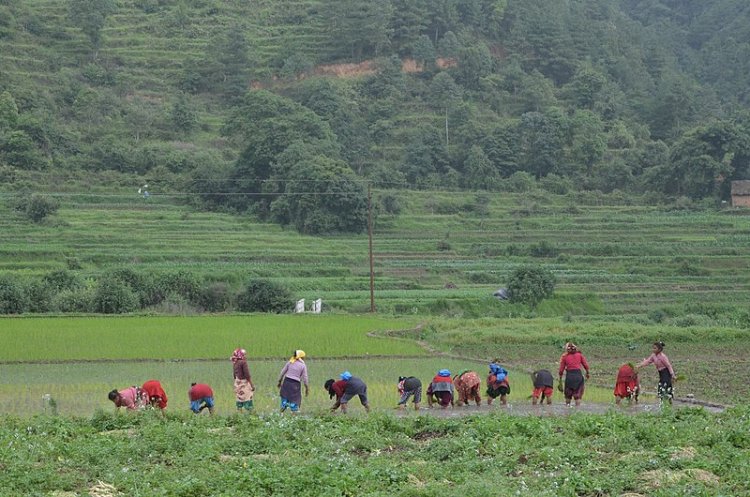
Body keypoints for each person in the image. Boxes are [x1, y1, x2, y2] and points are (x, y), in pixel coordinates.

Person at [558, 343, 590, 407]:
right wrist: (587, 373)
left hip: (569, 376)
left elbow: (561, 370)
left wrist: (560, 379)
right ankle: (577, 411)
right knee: (577, 396)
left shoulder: (565, 357)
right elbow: (586, 366)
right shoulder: (580, 355)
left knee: (568, 395)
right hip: (578, 376)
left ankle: (567, 408)